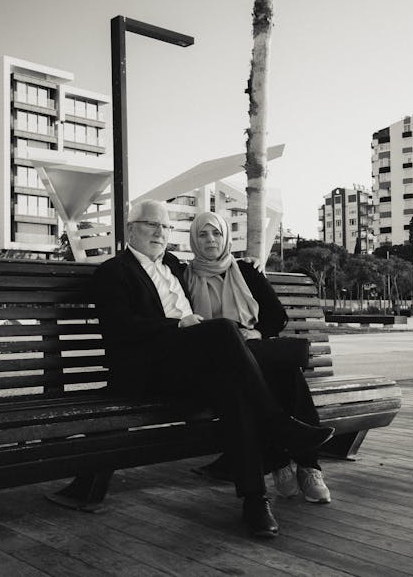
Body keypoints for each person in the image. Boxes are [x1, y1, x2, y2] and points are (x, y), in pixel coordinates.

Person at [55, 199, 333, 538]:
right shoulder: (114, 271)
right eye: (151, 224)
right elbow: (119, 328)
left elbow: (213, 264)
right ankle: (278, 426)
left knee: (241, 385)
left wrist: (246, 264)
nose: (159, 232)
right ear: (130, 229)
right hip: (148, 371)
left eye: (165, 226)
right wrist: (177, 325)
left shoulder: (174, 265)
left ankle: (255, 501)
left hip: (190, 368)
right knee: (226, 331)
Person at [185, 211, 332, 504]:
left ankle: (308, 468)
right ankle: (282, 463)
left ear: (226, 237)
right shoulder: (183, 276)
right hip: (216, 361)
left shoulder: (246, 270)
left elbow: (276, 315)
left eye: (216, 233)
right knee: (275, 374)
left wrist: (257, 332)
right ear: (193, 240)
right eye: (202, 234)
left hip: (254, 348)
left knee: (284, 373)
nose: (211, 239)